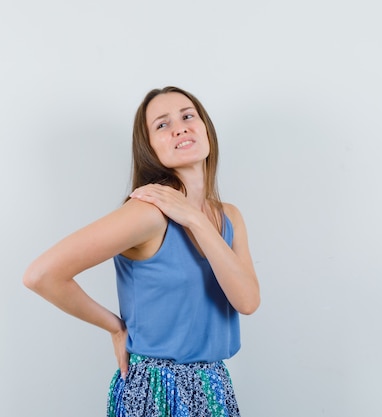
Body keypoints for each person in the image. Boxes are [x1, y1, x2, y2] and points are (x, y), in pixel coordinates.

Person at [23, 86, 260, 417]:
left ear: (205, 128)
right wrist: (115, 327)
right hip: (155, 389)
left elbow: (247, 301)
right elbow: (42, 275)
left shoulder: (229, 216)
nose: (180, 127)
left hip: (215, 386)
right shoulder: (148, 213)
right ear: (149, 148)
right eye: (162, 124)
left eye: (188, 116)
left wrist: (195, 217)